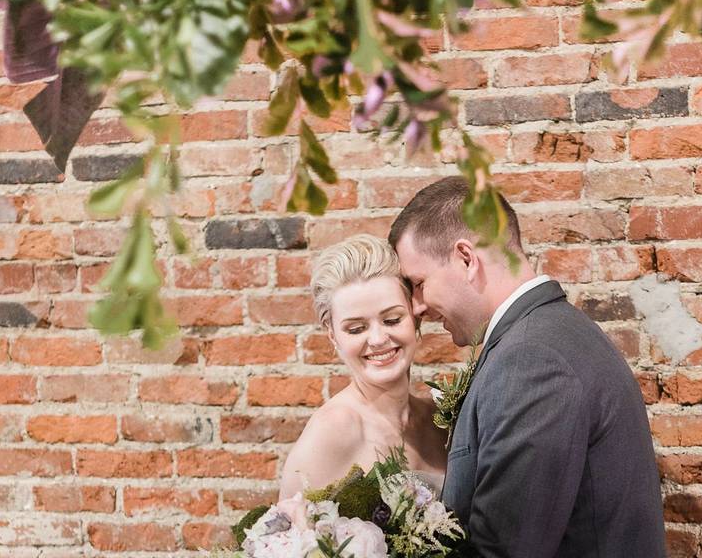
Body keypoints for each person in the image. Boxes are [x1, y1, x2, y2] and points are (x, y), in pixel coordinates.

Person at [389, 176, 666, 558]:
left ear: (466, 259)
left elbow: (505, 548)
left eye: (419, 283)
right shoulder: (551, 333)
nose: (417, 306)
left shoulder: (532, 359)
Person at [277, 234, 447, 500]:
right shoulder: (333, 431)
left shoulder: (439, 419)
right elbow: (290, 535)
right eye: (356, 328)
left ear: (415, 320)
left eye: (392, 320)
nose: (378, 340)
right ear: (333, 336)